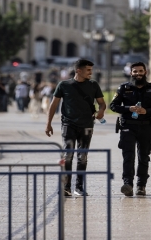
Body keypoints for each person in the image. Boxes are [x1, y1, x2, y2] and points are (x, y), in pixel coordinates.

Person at [45, 59, 106, 197]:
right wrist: (48, 123)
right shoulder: (64, 85)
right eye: (88, 70)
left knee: (82, 157)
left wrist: (101, 111)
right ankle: (66, 187)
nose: (91, 73)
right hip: (68, 124)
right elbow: (53, 104)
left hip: (87, 125)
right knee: (68, 155)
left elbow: (102, 103)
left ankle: (79, 187)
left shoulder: (93, 85)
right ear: (79, 70)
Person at [110, 62, 151, 196]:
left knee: (144, 157)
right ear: (131, 73)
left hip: (145, 126)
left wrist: (147, 111)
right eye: (135, 71)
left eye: (140, 71)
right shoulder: (123, 88)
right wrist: (128, 108)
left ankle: (141, 185)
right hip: (127, 126)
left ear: (145, 72)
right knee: (128, 156)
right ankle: (128, 184)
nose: (138, 74)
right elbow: (113, 106)